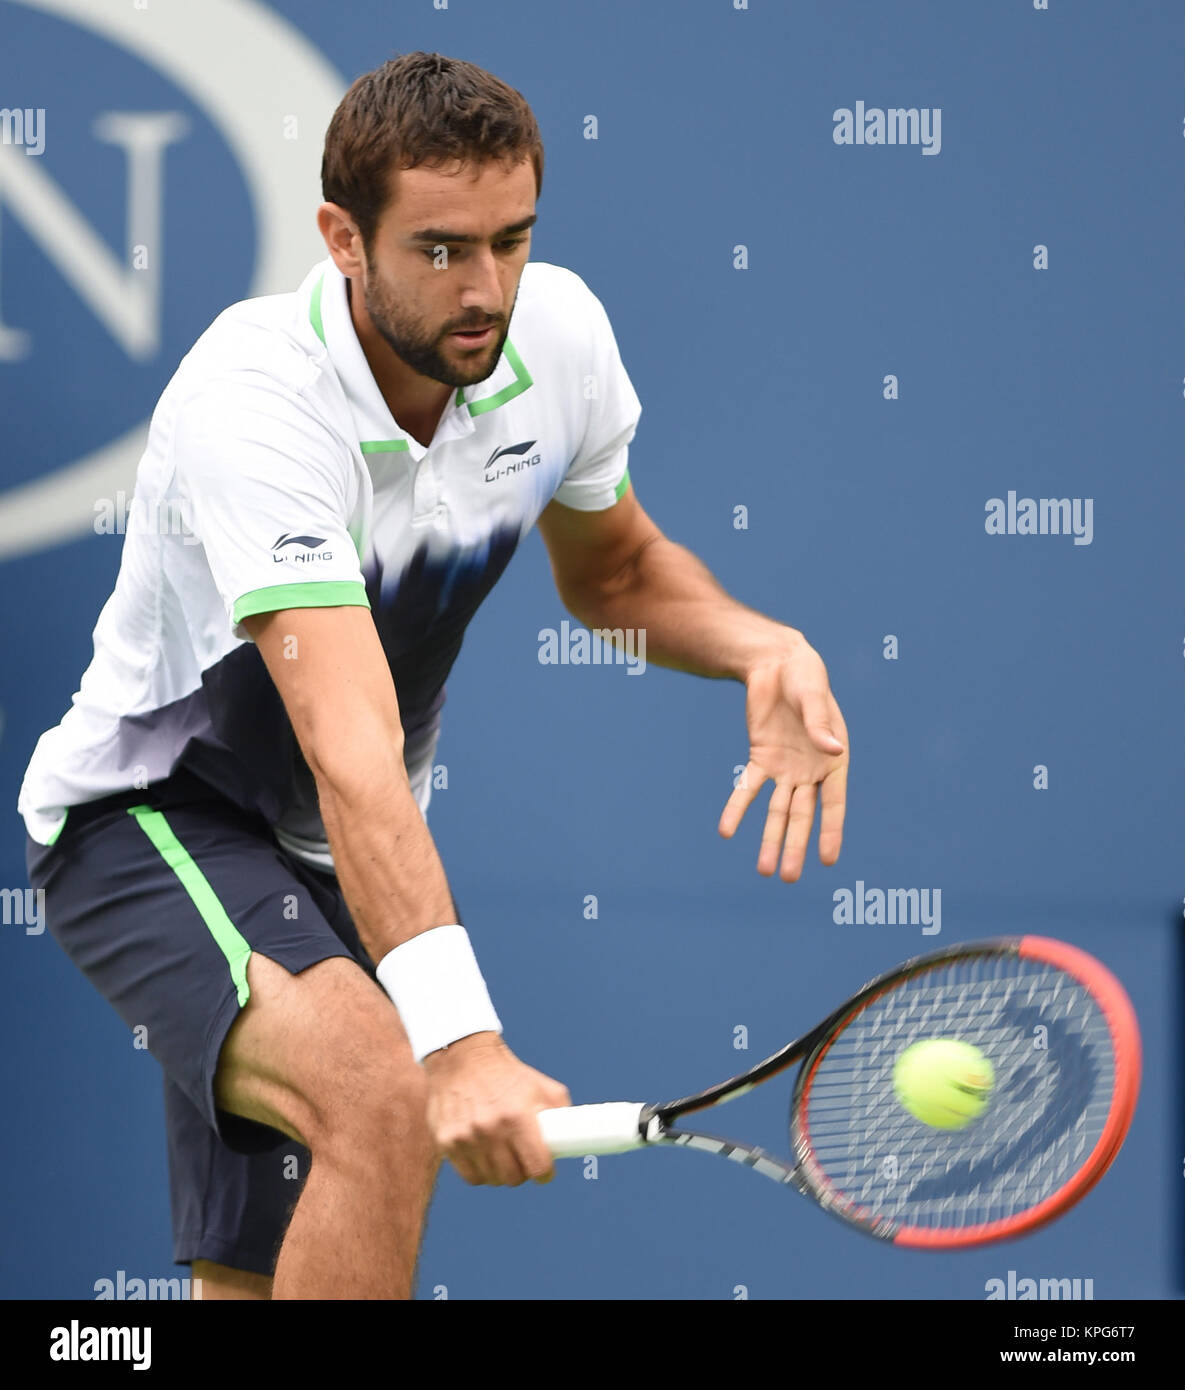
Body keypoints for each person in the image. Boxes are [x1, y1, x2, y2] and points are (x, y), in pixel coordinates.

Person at [19, 51, 849, 1300]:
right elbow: (349, 744)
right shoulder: (258, 401)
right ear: (342, 239)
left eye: (512, 240)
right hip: (153, 817)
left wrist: (761, 644)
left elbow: (615, 574)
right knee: (385, 1098)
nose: (490, 287)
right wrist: (460, 1046)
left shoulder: (557, 337)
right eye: (443, 248)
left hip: (328, 849)